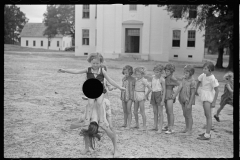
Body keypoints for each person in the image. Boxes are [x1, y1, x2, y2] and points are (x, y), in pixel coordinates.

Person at [58, 53, 125, 127]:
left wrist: (119, 87)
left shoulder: (102, 71)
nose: (95, 65)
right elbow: (76, 71)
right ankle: (87, 120)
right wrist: (65, 70)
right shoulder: (88, 70)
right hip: (91, 90)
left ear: (100, 62)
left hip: (100, 90)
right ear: (90, 62)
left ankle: (102, 122)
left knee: (100, 104)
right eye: (93, 63)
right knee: (90, 104)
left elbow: (110, 80)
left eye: (97, 63)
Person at [195, 61, 219, 140]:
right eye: (203, 68)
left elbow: (217, 90)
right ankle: (207, 131)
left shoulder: (212, 78)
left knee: (208, 116)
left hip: (208, 97)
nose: (204, 70)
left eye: (206, 69)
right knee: (206, 114)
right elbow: (199, 81)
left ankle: (207, 134)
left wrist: (214, 102)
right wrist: (196, 90)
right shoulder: (203, 75)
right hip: (204, 95)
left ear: (210, 70)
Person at [172, 65, 196, 135]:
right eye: (184, 73)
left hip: (188, 100)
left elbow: (193, 93)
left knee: (189, 115)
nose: (184, 74)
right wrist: (175, 95)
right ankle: (186, 128)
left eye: (186, 73)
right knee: (185, 114)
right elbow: (180, 87)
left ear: (191, 73)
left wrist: (190, 103)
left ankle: (190, 130)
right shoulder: (184, 79)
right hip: (182, 98)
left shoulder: (193, 82)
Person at [133, 66, 152, 131]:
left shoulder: (144, 80)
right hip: (136, 95)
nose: (137, 75)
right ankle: (137, 124)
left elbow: (150, 89)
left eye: (139, 74)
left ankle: (144, 126)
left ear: (142, 74)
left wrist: (146, 95)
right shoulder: (136, 79)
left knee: (142, 111)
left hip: (141, 95)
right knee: (135, 111)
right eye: (136, 74)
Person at [163, 63, 180, 134]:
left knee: (170, 112)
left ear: (172, 71)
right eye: (166, 71)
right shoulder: (166, 77)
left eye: (168, 71)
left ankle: (171, 128)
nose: (166, 72)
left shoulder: (173, 78)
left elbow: (180, 85)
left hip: (170, 96)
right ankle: (168, 125)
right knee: (167, 111)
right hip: (165, 95)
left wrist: (175, 94)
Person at [149, 64, 166, 133]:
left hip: (159, 95)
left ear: (161, 72)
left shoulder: (162, 79)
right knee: (155, 111)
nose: (156, 73)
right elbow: (151, 86)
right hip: (153, 94)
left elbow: (164, 90)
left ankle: (160, 128)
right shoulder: (153, 77)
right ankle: (155, 126)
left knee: (160, 112)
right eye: (155, 72)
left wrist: (162, 100)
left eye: (158, 72)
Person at [120, 65, 135, 129]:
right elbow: (122, 87)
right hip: (123, 96)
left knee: (129, 110)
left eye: (127, 73)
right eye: (124, 73)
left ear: (130, 72)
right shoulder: (123, 79)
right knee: (124, 110)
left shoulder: (133, 79)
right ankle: (125, 123)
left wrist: (134, 97)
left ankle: (129, 125)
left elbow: (134, 89)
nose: (125, 74)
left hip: (130, 97)